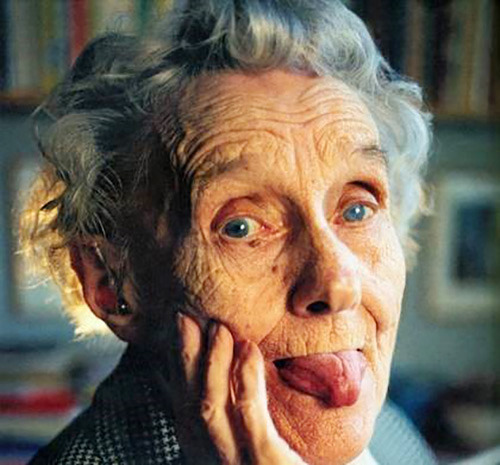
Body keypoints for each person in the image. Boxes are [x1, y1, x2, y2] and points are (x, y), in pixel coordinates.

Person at [24, 1, 432, 464]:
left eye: (357, 210)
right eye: (240, 227)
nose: (338, 285)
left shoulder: (390, 427)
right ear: (109, 281)